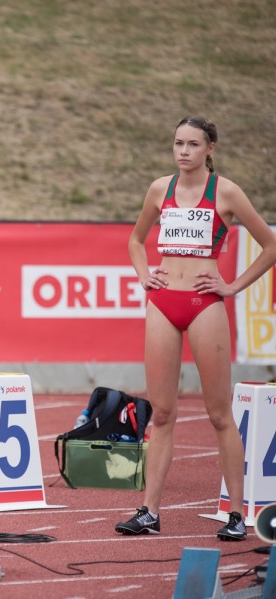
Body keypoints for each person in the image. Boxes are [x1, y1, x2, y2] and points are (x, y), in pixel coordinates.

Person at [117, 116, 276, 540]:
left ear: (211, 149)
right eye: (177, 144)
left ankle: (237, 515)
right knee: (162, 412)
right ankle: (149, 511)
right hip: (163, 302)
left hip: (204, 303)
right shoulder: (159, 189)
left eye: (192, 144)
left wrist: (232, 286)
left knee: (219, 414)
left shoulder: (225, 191)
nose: (183, 151)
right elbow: (136, 240)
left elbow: (271, 245)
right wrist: (144, 273)